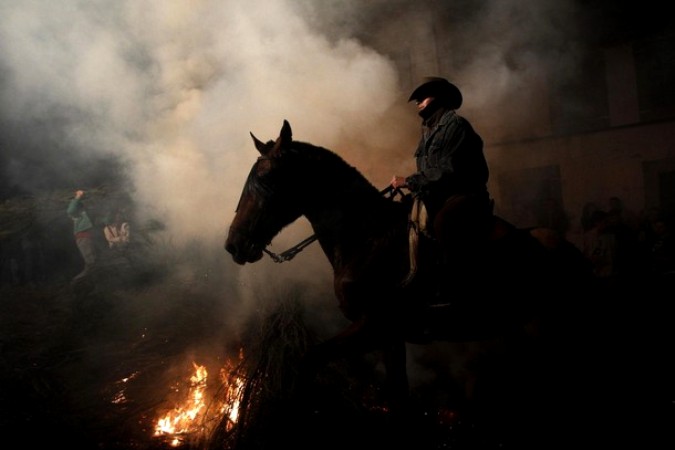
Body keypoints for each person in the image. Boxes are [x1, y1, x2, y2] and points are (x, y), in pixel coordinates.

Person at [391, 77, 493, 271]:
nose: (417, 101)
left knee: (443, 222)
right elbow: (429, 171)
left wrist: (410, 181)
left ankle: (457, 281)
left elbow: (448, 171)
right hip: (439, 196)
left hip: (464, 196)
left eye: (423, 96)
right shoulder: (428, 133)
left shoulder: (456, 126)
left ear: (439, 97)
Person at [67, 189, 97, 283]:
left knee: (92, 259)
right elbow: (70, 210)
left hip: (86, 237)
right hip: (83, 237)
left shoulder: (83, 211)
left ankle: (89, 280)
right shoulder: (76, 212)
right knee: (91, 261)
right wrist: (78, 196)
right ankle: (82, 281)